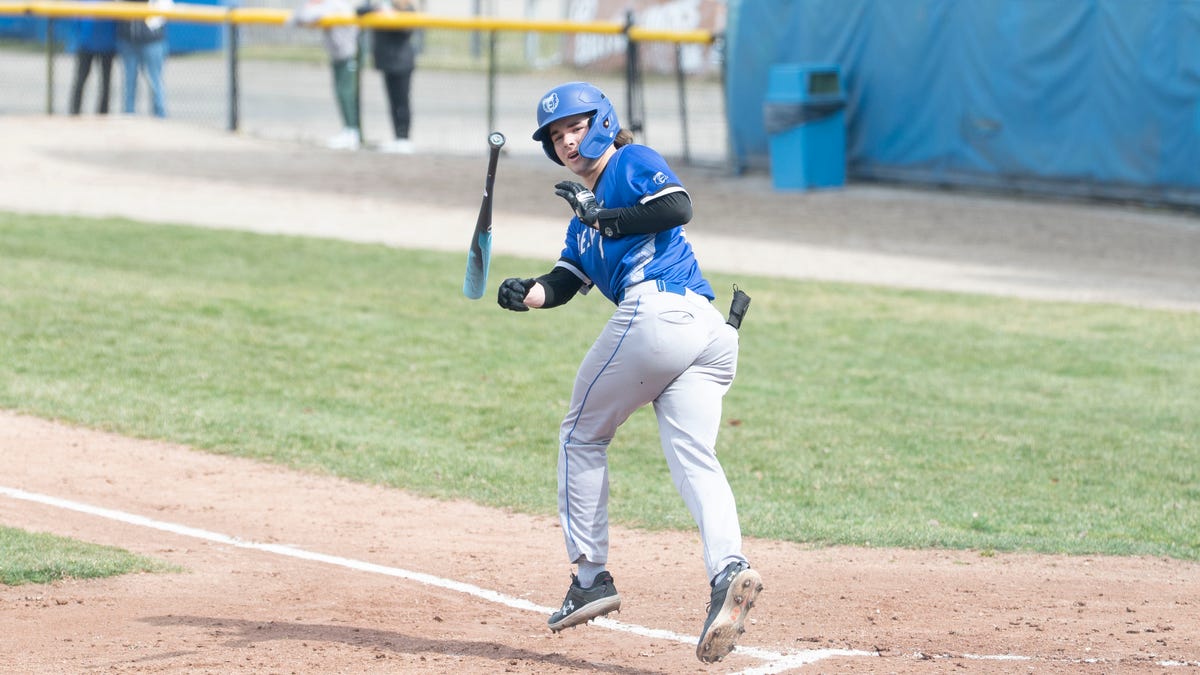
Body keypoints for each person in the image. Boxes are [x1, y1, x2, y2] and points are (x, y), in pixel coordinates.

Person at [495, 81, 761, 664]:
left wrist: (605, 217)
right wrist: (531, 293)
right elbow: (569, 277)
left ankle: (590, 579)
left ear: (603, 120)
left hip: (666, 315)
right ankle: (729, 571)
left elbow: (678, 207)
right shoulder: (583, 216)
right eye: (557, 136)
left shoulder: (630, 161)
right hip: (707, 335)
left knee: (581, 434)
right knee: (695, 458)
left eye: (575, 127)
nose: (567, 141)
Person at [292, 0, 362, 150]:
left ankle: (352, 131)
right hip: (338, 54)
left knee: (346, 93)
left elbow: (309, 15)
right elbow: (297, 16)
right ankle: (348, 130)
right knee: (340, 92)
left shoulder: (336, 4)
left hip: (349, 53)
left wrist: (310, 8)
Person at [364, 0, 416, 154]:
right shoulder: (383, 7)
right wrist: (378, 9)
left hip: (402, 62)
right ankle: (397, 138)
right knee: (393, 103)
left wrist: (390, 15)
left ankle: (404, 138)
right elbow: (361, 10)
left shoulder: (409, 10)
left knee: (402, 102)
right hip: (387, 62)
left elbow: (406, 29)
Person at [115, 0, 173, 118]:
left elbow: (166, 7)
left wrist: (149, 22)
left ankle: (159, 116)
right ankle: (128, 115)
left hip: (152, 40)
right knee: (129, 82)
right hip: (129, 39)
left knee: (155, 80)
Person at [68, 6, 117, 115]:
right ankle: (75, 111)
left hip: (106, 44)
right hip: (87, 42)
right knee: (81, 78)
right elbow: (76, 19)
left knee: (105, 81)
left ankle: (103, 113)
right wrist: (78, 38)